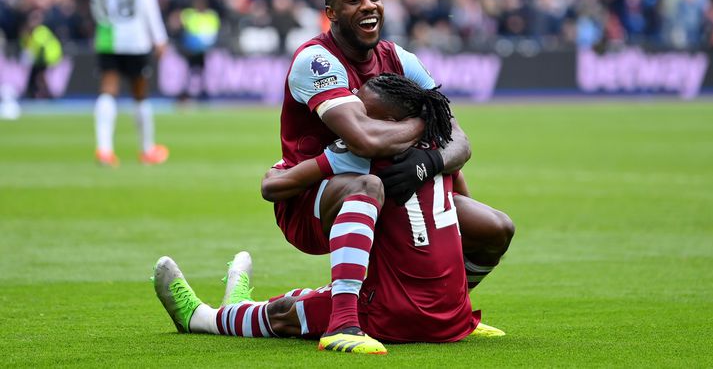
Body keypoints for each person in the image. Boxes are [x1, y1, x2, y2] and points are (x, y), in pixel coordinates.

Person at [153, 74, 503, 354]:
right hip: (452, 316)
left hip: (395, 314)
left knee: (287, 313)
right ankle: (238, 300)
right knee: (495, 225)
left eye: (364, 111)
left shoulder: (362, 152)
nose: (355, 117)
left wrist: (304, 165)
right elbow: (461, 215)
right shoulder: (440, 150)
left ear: (391, 121)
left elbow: (273, 187)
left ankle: (203, 318)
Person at [273, 0, 514, 351]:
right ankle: (343, 322)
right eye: (353, 0)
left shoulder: (400, 59)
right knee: (364, 184)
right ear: (331, 13)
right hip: (315, 196)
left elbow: (460, 141)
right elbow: (364, 138)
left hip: (390, 188)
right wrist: (426, 125)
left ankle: (455, 307)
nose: (369, 6)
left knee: (495, 229)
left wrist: (430, 163)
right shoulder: (317, 60)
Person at [88, 0, 169, 167]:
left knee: (107, 90)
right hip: (135, 39)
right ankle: (147, 150)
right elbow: (148, 5)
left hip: (107, 35)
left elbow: (94, 3)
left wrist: (104, 23)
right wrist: (159, 38)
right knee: (140, 93)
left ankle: (104, 150)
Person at [177, 0, 220, 100]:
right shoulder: (189, 14)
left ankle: (202, 91)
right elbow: (180, 23)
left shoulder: (211, 16)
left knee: (202, 71)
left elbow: (213, 33)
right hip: (191, 49)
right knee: (189, 71)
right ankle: (187, 91)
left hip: (203, 50)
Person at [21, 10, 63, 99]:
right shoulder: (41, 30)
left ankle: (39, 93)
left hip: (47, 57)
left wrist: (38, 61)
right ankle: (41, 92)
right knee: (39, 75)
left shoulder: (39, 32)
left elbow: (41, 49)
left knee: (39, 74)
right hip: (50, 57)